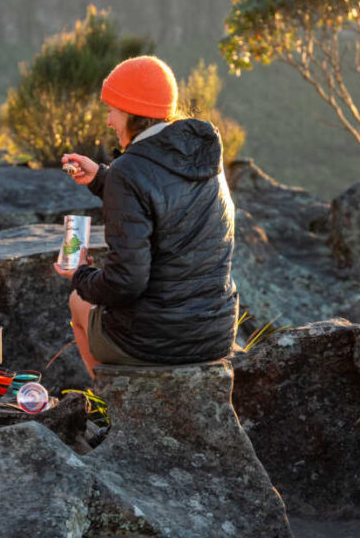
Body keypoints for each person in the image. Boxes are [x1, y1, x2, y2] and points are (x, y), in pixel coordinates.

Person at [54, 56, 238, 374]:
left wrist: (81, 275)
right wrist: (101, 178)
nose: (109, 122)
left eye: (112, 110)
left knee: (78, 302)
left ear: (131, 112)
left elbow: (125, 283)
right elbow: (164, 197)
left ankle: (116, 402)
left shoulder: (130, 171)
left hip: (156, 342)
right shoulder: (202, 155)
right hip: (216, 333)